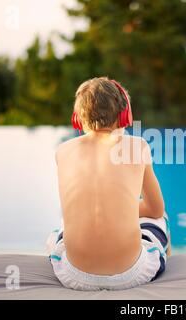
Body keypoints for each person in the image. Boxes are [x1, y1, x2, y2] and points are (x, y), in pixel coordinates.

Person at [46, 77, 170, 291]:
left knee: (63, 226)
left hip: (73, 275)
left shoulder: (63, 151)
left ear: (77, 118)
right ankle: (166, 275)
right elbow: (156, 209)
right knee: (161, 219)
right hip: (131, 274)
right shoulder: (136, 147)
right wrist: (125, 208)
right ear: (124, 115)